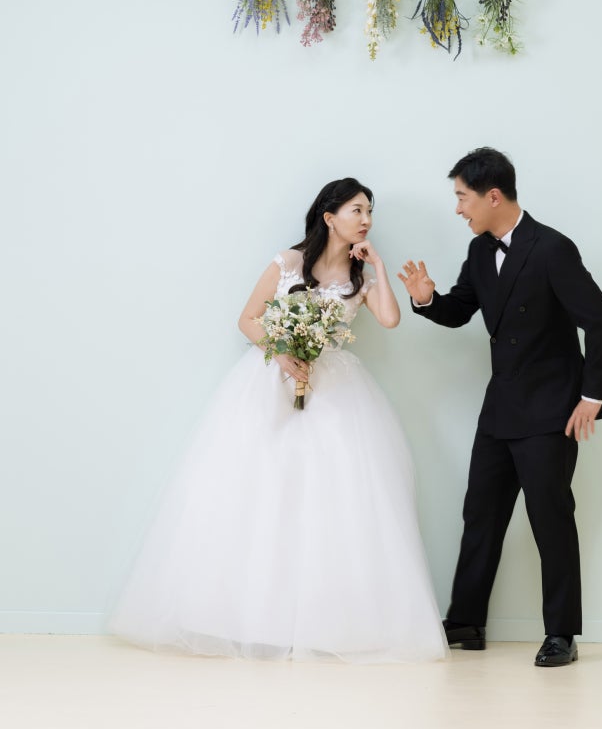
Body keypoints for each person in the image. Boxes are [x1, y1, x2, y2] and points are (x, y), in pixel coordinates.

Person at [110, 178, 448, 663]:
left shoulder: (360, 278)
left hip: (337, 392)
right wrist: (283, 351)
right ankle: (249, 620)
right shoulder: (288, 262)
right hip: (272, 383)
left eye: (369, 211)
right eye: (357, 210)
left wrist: (377, 264)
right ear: (329, 217)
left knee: (332, 499)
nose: (366, 220)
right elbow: (248, 319)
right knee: (263, 492)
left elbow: (390, 319)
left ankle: (328, 623)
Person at [398, 148, 602, 667]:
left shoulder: (552, 248)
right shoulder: (480, 251)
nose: (458, 208)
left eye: (462, 197)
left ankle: (561, 633)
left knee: (550, 520)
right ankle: (466, 621)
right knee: (481, 513)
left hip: (550, 411)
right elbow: (459, 310)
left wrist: (592, 396)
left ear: (492, 196)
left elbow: (600, 320)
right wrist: (427, 299)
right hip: (500, 409)